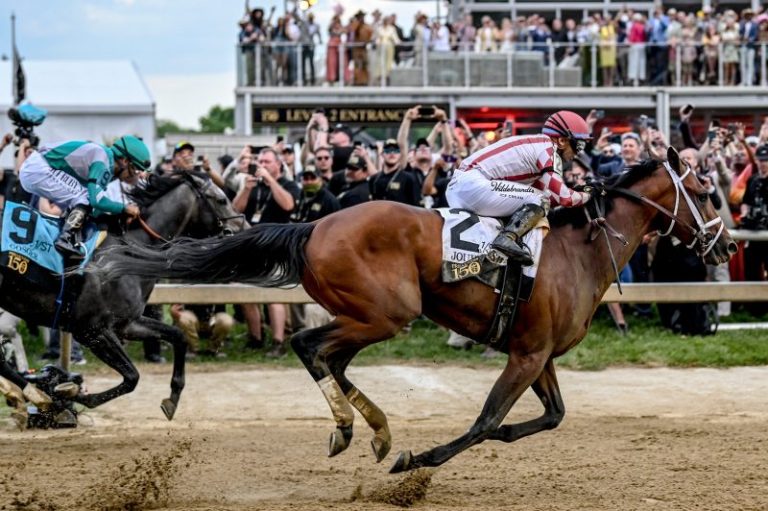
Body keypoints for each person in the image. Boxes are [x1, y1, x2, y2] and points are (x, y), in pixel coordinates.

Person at [446, 110, 593, 265]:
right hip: (472, 185)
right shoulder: (549, 151)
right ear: (562, 140)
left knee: (538, 200)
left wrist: (576, 192)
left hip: (464, 186)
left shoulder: (539, 146)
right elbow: (565, 198)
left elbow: (546, 200)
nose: (578, 153)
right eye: (579, 145)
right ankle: (506, 239)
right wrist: (588, 194)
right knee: (539, 199)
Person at [18, 135, 146, 260]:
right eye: (134, 169)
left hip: (37, 169)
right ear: (125, 161)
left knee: (85, 197)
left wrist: (114, 220)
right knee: (85, 197)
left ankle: (70, 236)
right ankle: (65, 239)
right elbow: (97, 201)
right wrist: (124, 208)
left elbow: (95, 208)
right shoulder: (103, 159)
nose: (133, 175)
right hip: (38, 169)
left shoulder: (108, 163)